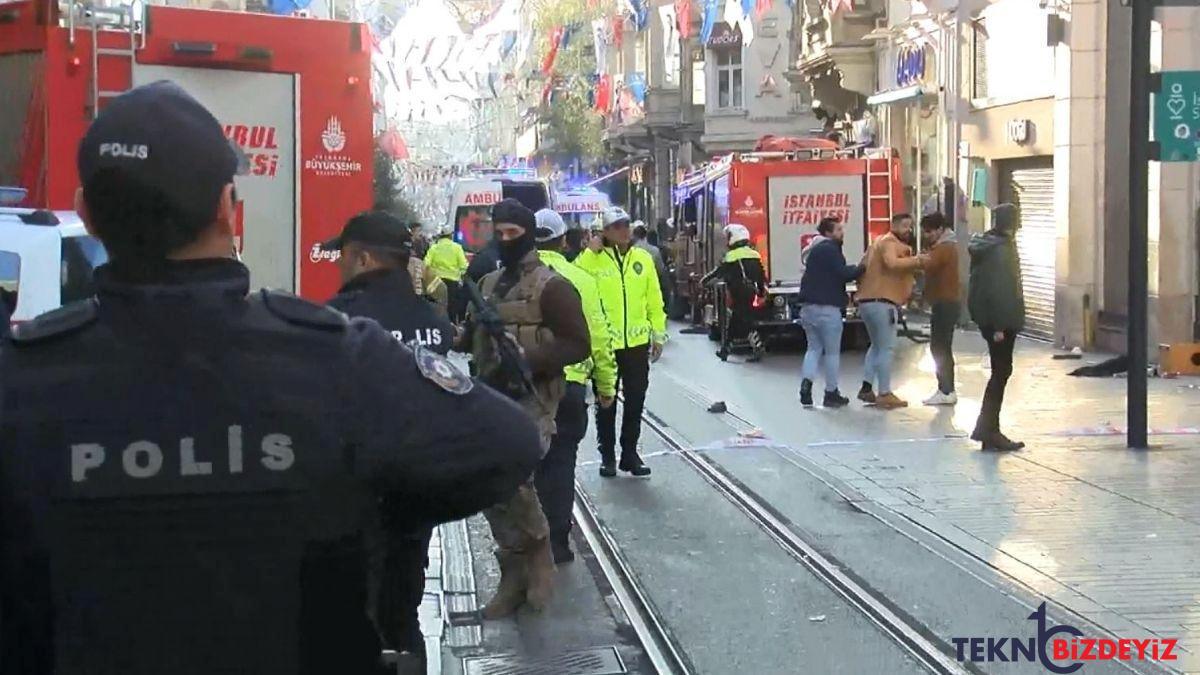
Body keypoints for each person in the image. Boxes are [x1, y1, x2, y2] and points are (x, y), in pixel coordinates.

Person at [0, 81, 541, 675]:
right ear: (228, 209)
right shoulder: (334, 359)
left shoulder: (22, 380)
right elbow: (508, 443)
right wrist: (363, 506)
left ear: (86, 215)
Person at [322, 211, 456, 670]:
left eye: (341, 255)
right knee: (404, 613)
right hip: (417, 487)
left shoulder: (337, 321)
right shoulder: (434, 323)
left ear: (360, 258)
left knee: (354, 617)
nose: (337, 265)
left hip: (357, 495)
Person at [463, 198, 591, 617]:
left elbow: (577, 343)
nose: (503, 241)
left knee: (515, 478)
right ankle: (513, 567)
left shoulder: (552, 286)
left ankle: (538, 553)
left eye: (512, 234)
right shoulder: (487, 286)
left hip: (535, 397)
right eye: (497, 234)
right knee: (489, 483)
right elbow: (467, 337)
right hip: (490, 394)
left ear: (528, 235)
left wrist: (528, 359)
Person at [532, 208, 617, 563]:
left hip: (529, 385)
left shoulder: (517, 278)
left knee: (529, 464)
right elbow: (597, 337)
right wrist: (607, 385)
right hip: (572, 384)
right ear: (564, 240)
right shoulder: (580, 278)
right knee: (562, 461)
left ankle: (530, 541)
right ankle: (558, 540)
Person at [575, 207, 667, 477]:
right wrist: (589, 252)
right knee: (606, 400)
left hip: (637, 343)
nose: (623, 230)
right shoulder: (592, 259)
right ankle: (607, 455)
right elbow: (575, 282)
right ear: (604, 232)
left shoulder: (642, 259)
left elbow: (654, 298)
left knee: (636, 399)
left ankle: (630, 453)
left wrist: (658, 333)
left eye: (625, 225)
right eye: (615, 226)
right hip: (606, 345)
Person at [967, 203, 1026, 451]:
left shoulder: (990, 245)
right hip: (1000, 322)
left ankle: (988, 429)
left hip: (994, 320)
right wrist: (1000, 326)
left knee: (1000, 372)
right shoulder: (1000, 250)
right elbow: (1000, 289)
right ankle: (988, 430)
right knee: (1000, 373)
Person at [856, 213, 927, 409]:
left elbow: (862, 267)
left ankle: (867, 387)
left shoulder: (876, 243)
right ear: (894, 226)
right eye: (905, 226)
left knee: (876, 346)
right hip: (883, 303)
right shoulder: (889, 242)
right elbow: (892, 263)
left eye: (910, 226)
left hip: (867, 302)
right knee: (886, 348)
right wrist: (918, 261)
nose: (908, 230)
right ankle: (885, 393)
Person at [798, 217, 864, 407]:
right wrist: (861, 268)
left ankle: (806, 385)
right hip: (828, 309)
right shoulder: (830, 249)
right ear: (828, 233)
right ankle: (831, 392)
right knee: (832, 353)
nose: (842, 232)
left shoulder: (813, 251)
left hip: (808, 308)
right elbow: (842, 273)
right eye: (838, 229)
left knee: (813, 349)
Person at [700, 223, 767, 362]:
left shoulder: (732, 256)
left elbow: (718, 272)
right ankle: (726, 350)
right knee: (736, 322)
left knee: (743, 322)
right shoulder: (754, 254)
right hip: (750, 292)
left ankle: (757, 348)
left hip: (739, 292)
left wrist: (704, 281)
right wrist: (760, 292)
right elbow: (761, 276)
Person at [919, 212, 961, 406]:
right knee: (941, 346)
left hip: (945, 302)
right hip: (945, 302)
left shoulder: (944, 248)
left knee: (940, 346)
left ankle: (946, 389)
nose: (926, 235)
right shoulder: (944, 246)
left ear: (940, 230)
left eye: (929, 231)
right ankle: (945, 389)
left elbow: (928, 264)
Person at [425, 227, 469, 322]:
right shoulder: (457, 248)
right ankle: (451, 325)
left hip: (437, 282)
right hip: (452, 281)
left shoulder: (434, 247)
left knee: (436, 304)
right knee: (451, 306)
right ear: (451, 236)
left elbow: (426, 264)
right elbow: (463, 265)